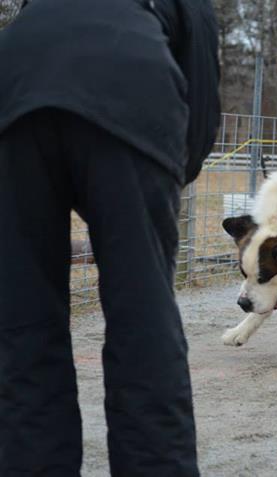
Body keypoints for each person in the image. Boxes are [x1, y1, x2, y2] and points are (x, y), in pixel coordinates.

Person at [0, 0, 220, 475]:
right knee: (142, 316)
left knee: (24, 321)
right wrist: (161, 184)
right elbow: (200, 117)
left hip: (15, 76)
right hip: (131, 80)